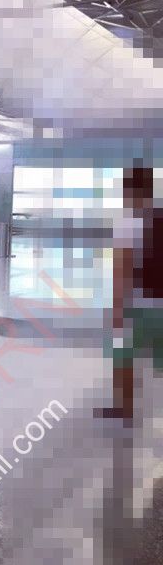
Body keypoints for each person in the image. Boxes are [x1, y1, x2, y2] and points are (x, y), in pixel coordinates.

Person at [98, 165, 163, 421]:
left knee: (123, 356)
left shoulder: (130, 222)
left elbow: (122, 268)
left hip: (138, 303)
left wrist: (117, 308)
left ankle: (124, 408)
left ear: (130, 191)